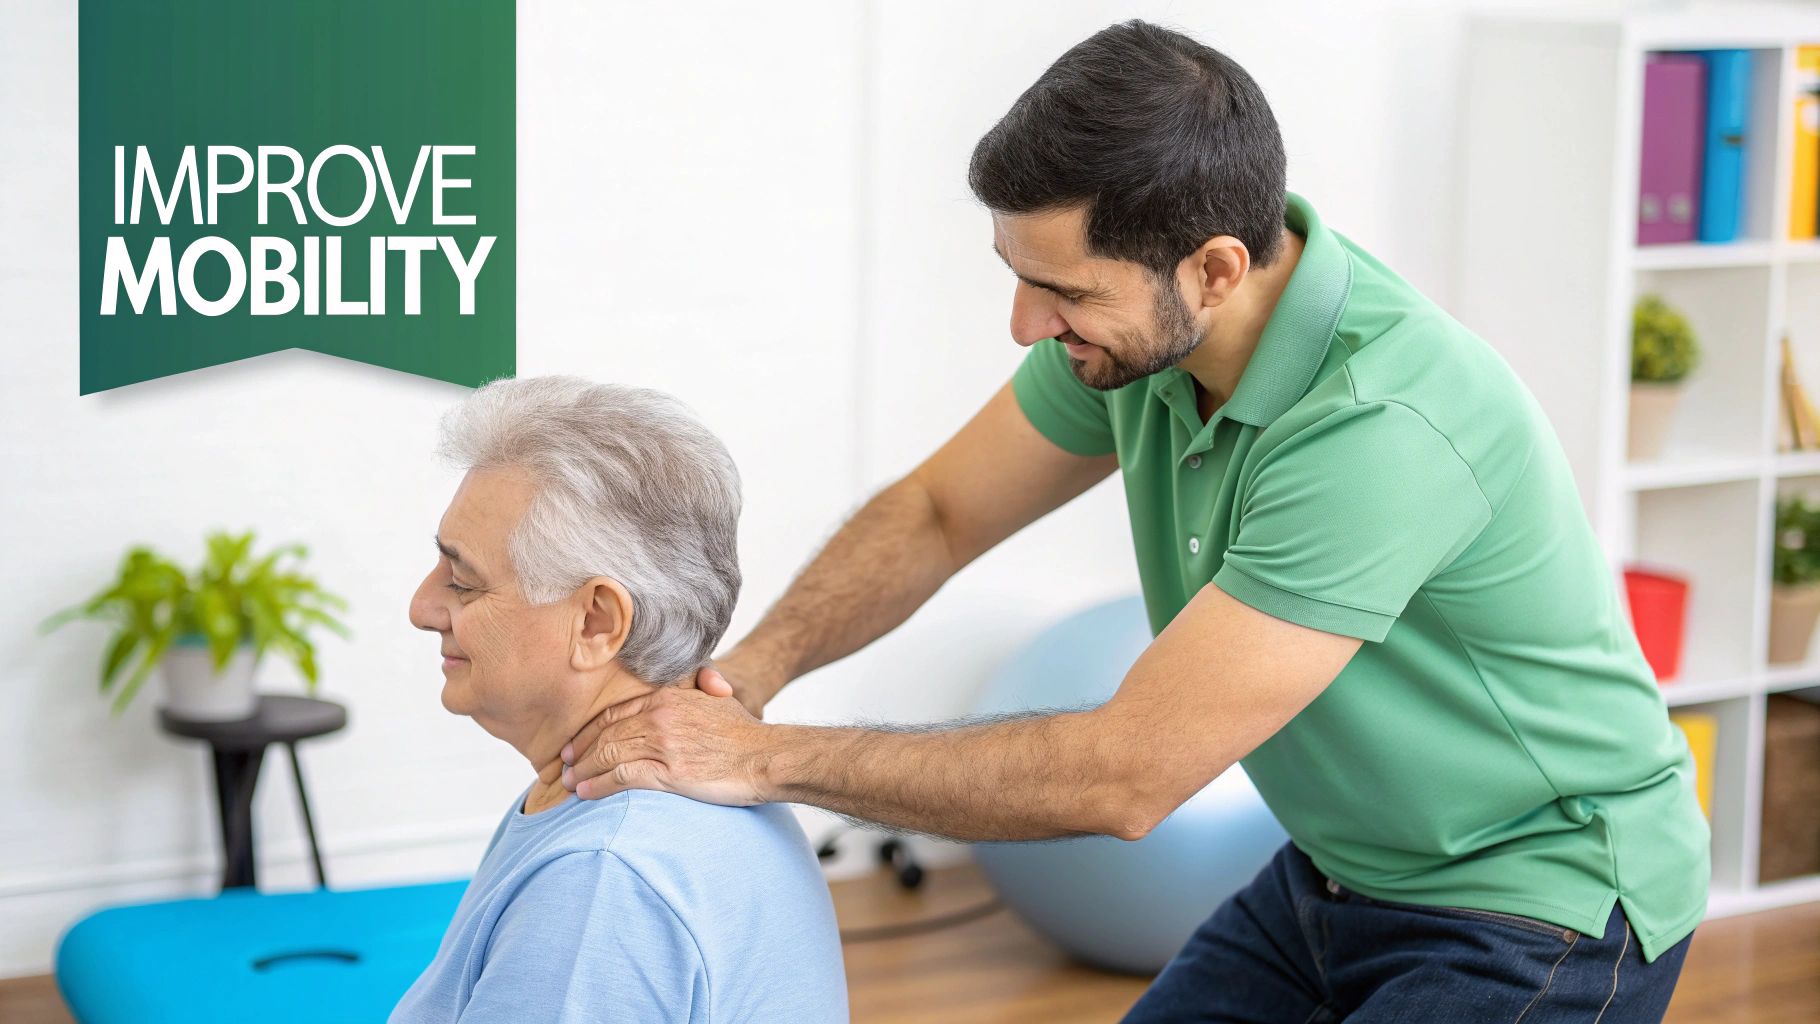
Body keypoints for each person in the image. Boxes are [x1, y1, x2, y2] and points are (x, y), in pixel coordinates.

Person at [558, 20, 1708, 1023]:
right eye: (1017, 276)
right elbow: (938, 509)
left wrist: (759, 762)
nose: (1023, 323)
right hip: (1337, 876)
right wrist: (744, 680)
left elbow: (1125, 774)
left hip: (1541, 903)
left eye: (1062, 291)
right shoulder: (1140, 343)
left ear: (1211, 267)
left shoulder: (1381, 423)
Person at [392, 376, 848, 1024]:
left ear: (597, 623)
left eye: (463, 581)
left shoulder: (601, 880)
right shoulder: (614, 793)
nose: (422, 607)